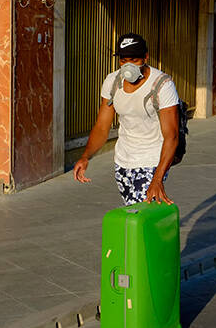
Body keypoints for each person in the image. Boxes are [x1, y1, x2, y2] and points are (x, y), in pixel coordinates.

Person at [73, 33, 180, 206]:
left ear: (146, 57)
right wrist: (86, 157)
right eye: (123, 60)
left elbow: (172, 136)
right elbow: (102, 127)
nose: (128, 66)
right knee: (133, 210)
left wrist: (158, 178)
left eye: (134, 60)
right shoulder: (112, 82)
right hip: (123, 160)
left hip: (151, 159)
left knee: (139, 214)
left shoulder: (162, 84)